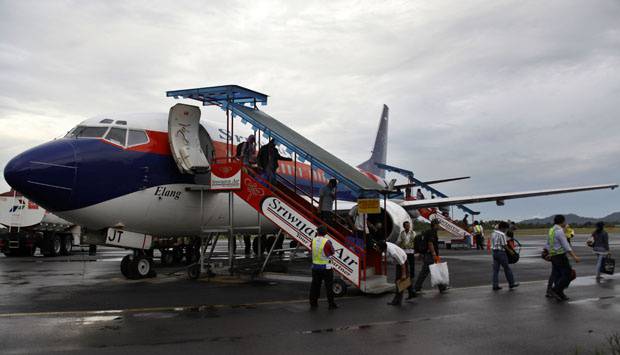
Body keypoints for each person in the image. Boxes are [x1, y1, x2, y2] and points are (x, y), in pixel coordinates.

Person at [545, 214, 580, 301]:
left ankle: (559, 293)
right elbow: (566, 245)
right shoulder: (559, 231)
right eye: (565, 221)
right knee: (569, 274)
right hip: (560, 256)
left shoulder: (551, 230)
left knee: (557, 275)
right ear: (562, 222)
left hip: (554, 257)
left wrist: (549, 253)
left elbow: (548, 243)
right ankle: (555, 290)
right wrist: (574, 256)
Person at [375, 240, 413, 305]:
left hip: (403, 261)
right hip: (398, 262)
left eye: (377, 248)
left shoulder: (393, 252)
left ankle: (397, 301)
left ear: (382, 247)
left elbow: (402, 263)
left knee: (399, 281)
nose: (376, 249)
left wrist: (403, 274)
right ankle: (412, 293)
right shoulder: (385, 245)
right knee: (404, 279)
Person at [413, 219, 447, 293]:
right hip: (431, 255)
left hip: (434, 255)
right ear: (435, 225)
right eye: (438, 224)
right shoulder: (432, 232)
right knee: (425, 271)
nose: (439, 225)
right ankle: (416, 288)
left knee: (437, 270)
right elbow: (430, 243)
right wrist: (434, 254)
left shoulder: (431, 231)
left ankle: (442, 287)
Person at [309, 225, 338, 310]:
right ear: (326, 233)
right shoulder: (327, 242)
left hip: (315, 267)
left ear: (317, 232)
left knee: (315, 285)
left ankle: (313, 303)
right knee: (328, 286)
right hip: (326, 268)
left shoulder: (313, 240)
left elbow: (311, 249)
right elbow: (332, 252)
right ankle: (331, 304)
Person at [491, 221, 519, 291]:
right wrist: (511, 252)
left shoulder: (493, 233)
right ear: (503, 228)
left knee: (495, 270)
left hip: (494, 253)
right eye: (506, 228)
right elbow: (504, 245)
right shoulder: (502, 234)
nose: (506, 230)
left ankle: (495, 285)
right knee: (507, 268)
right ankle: (511, 283)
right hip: (501, 253)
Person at [396, 221, 417, 297]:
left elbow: (415, 241)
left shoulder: (413, 233)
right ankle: (406, 276)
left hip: (411, 251)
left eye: (409, 225)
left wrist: (416, 251)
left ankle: (412, 277)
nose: (408, 226)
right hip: (404, 252)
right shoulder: (401, 233)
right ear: (404, 226)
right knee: (404, 265)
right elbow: (398, 241)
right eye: (406, 225)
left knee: (412, 265)